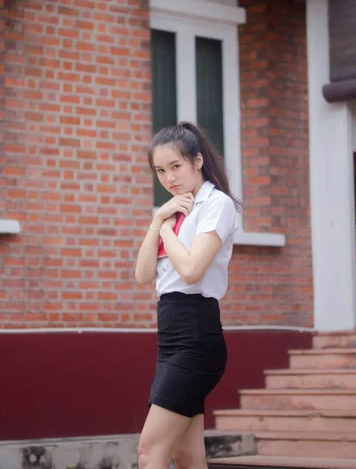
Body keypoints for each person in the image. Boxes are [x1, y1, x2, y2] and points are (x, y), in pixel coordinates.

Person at [135, 121, 240, 469]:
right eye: (160, 170)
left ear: (197, 161)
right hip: (171, 337)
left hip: (196, 336)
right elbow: (143, 275)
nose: (168, 178)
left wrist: (165, 228)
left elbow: (192, 270)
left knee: (150, 452)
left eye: (175, 166)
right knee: (188, 456)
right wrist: (158, 222)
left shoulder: (217, 204)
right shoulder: (171, 210)